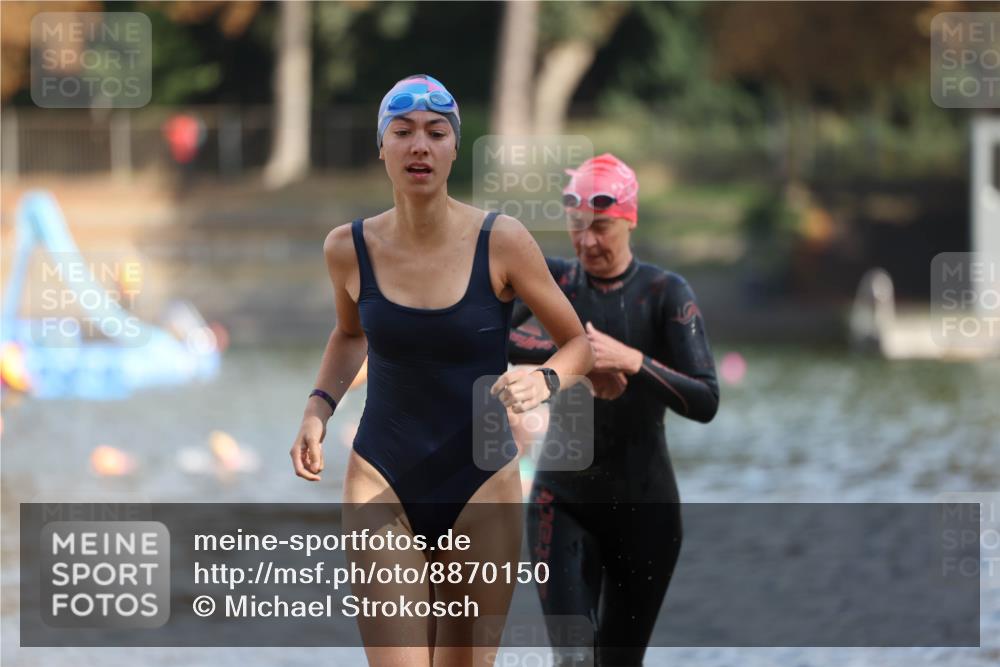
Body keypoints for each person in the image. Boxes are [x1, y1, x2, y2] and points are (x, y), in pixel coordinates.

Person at [289, 74, 594, 667]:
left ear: (455, 147)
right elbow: (351, 335)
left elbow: (576, 343)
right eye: (401, 132)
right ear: (382, 146)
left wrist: (545, 379)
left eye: (435, 132)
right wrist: (317, 409)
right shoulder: (346, 247)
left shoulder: (501, 241)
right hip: (381, 477)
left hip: (482, 485)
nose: (418, 146)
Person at [509, 153, 720, 666]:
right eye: (577, 227)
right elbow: (487, 338)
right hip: (562, 502)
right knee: (574, 660)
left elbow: (706, 399)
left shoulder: (665, 294)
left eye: (600, 227)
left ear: (629, 219)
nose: (586, 242)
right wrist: (576, 356)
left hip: (646, 510)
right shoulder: (556, 282)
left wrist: (633, 360)